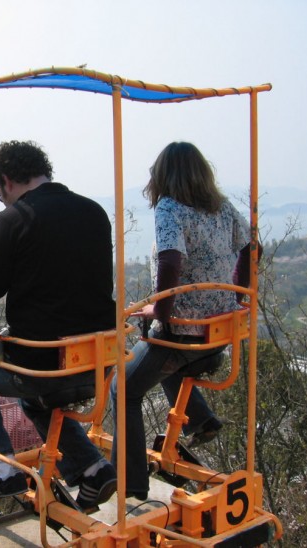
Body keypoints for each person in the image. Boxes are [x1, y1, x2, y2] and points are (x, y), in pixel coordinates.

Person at [0, 140, 117, 510]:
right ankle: (94, 469)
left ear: (5, 181)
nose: (2, 200)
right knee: (36, 401)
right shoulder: (94, 212)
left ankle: (1, 469)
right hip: (95, 360)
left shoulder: (15, 220)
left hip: (43, 361)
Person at [111, 141, 257, 500]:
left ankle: (129, 484)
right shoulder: (221, 207)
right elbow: (252, 247)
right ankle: (202, 419)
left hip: (182, 334)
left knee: (122, 387)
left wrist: (159, 311)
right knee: (159, 362)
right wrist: (239, 292)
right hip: (217, 333)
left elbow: (171, 261)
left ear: (162, 176)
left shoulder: (169, 208)